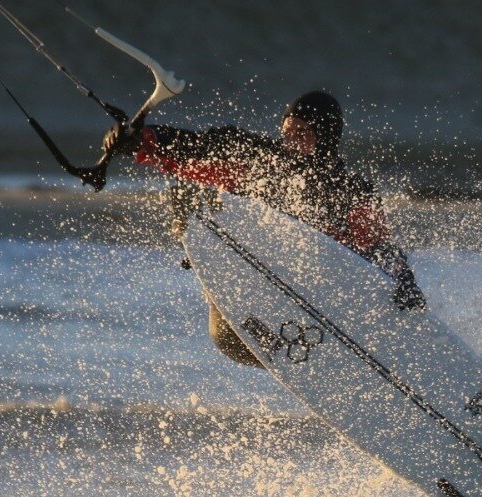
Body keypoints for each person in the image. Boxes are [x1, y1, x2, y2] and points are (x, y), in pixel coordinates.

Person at [103, 90, 426, 367]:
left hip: (314, 313)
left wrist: (403, 279)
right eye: (287, 133)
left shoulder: (351, 191)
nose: (290, 143)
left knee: (361, 269)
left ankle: (341, 356)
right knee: (190, 191)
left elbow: (379, 246)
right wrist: (141, 141)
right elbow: (196, 148)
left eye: (302, 134)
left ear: (325, 137)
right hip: (242, 315)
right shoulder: (261, 161)